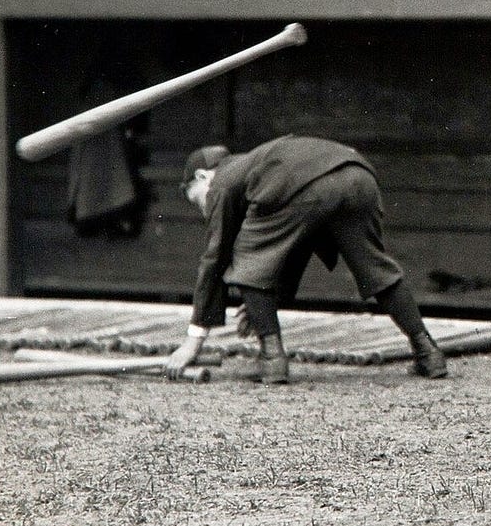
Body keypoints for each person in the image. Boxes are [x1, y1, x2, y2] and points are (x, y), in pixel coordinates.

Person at [165, 136, 447, 384]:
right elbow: (293, 247)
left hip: (309, 187)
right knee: (376, 269)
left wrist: (193, 341)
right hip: (358, 175)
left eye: (198, 201)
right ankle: (427, 352)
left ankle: (272, 360)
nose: (204, 210)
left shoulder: (222, 183)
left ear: (203, 176)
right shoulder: (260, 166)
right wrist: (264, 303)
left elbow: (216, 259)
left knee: (245, 261)